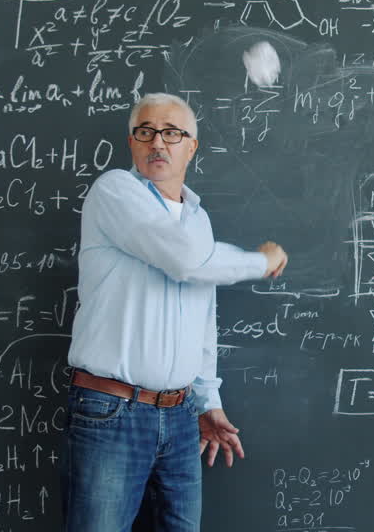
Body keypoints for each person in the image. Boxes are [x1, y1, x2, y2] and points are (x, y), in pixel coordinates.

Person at [61, 92, 288, 531]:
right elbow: (185, 260)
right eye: (145, 132)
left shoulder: (197, 220)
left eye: (172, 133)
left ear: (191, 146)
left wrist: (208, 400)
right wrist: (262, 260)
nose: (157, 143)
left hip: (182, 418)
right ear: (132, 143)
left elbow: (203, 319)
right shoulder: (116, 191)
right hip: (112, 410)